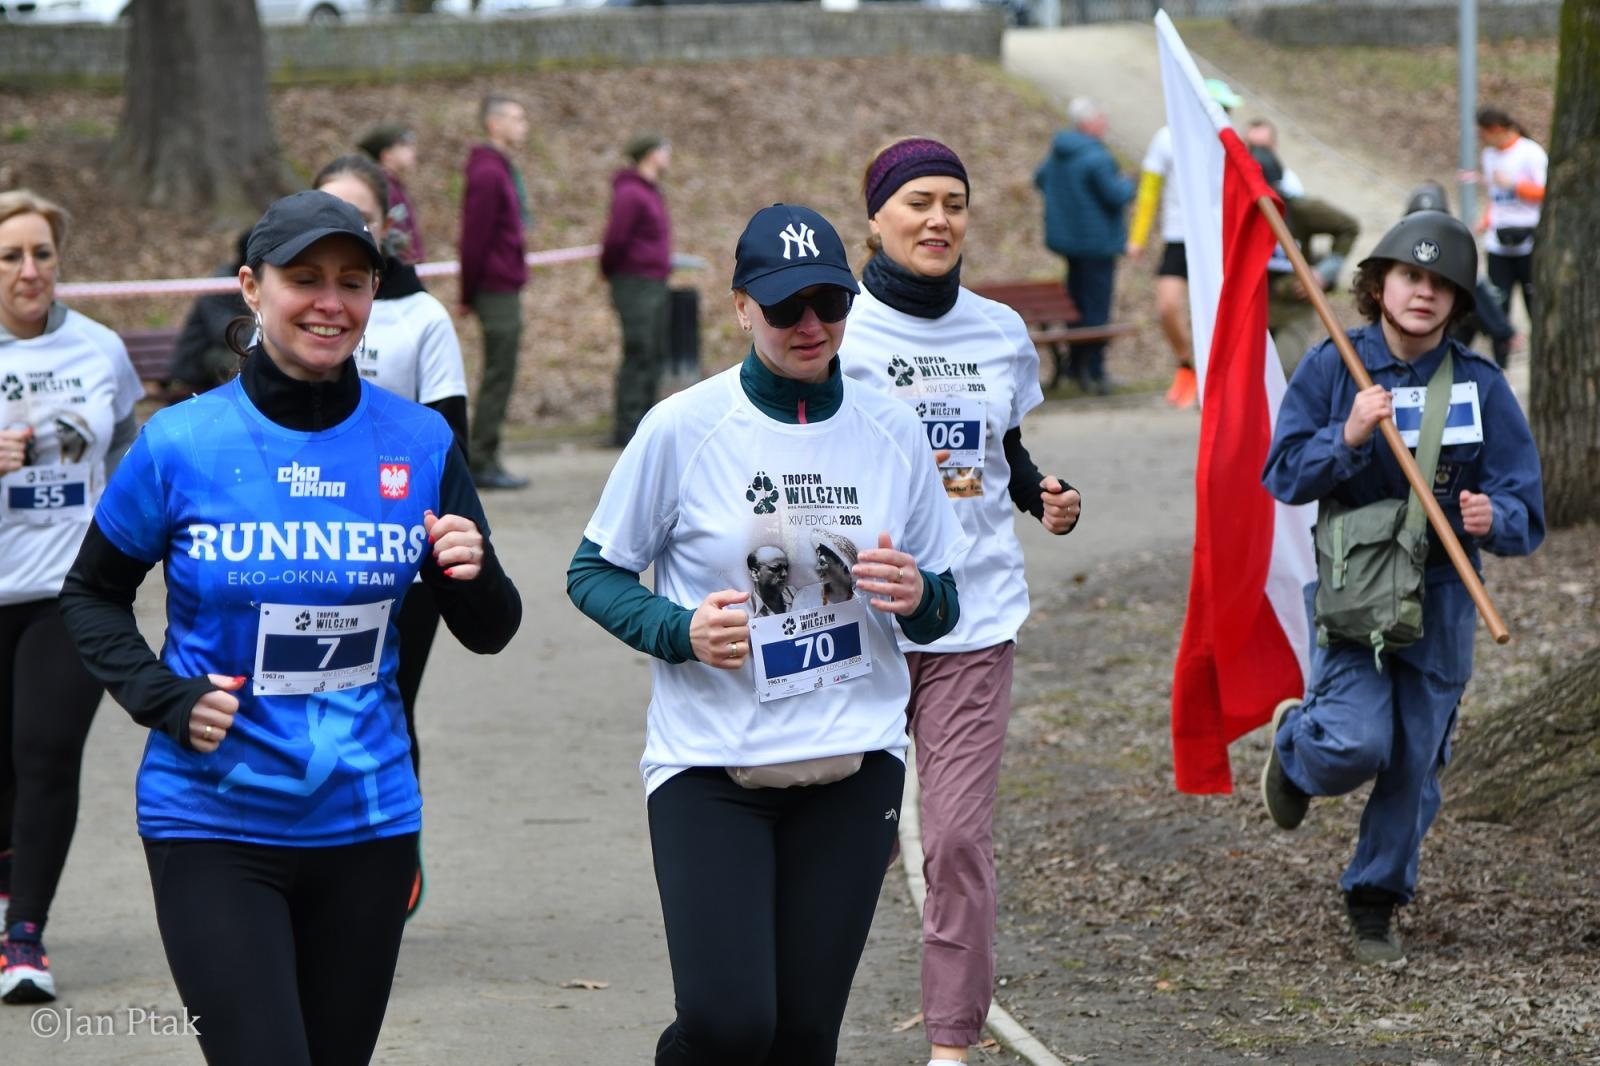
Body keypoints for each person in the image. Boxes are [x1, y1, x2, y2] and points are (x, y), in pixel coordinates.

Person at [58, 189, 521, 1064]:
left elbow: (490, 629)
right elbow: (89, 594)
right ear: (250, 287)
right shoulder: (179, 444)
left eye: (352, 281)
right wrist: (161, 695)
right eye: (303, 278)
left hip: (368, 822)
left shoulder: (419, 443)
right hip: (212, 821)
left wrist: (475, 568)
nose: (330, 302)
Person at [567, 203, 969, 1065]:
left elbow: (946, 601)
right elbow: (591, 571)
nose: (811, 325)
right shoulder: (683, 425)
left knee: (800, 1036)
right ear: (743, 307)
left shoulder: (892, 431)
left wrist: (916, 594)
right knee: (728, 1022)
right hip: (712, 762)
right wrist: (680, 629)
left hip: (852, 761)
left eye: (829, 301)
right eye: (786, 306)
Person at [838, 136, 1081, 1066]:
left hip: (973, 619)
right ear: (876, 216)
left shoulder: (997, 331)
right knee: (846, 844)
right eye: (917, 203)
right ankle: (791, 1013)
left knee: (957, 842)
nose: (938, 220)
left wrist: (1042, 494)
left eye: (953, 202)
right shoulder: (839, 328)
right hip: (856, 618)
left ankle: (951, 1044)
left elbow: (1002, 453)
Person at [1259, 210, 1543, 966]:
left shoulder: (1481, 387)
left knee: (1416, 759)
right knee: (1353, 743)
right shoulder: (1332, 367)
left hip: (1446, 594)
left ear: (1458, 301)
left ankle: (1374, 903)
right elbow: (1283, 473)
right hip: (1357, 586)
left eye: (1440, 283)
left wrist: (1496, 515)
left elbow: (1526, 504)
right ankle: (1296, 749)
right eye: (1410, 276)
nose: (1423, 293)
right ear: (1379, 283)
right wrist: (1346, 435)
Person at [314, 152, 471, 918]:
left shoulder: (420, 318)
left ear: (385, 227)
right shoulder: (295, 311)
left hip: (398, 570)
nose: (345, 232)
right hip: (302, 562)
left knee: (383, 708)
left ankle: (390, 856)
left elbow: (452, 450)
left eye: (360, 219)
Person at [0, 189, 142, 1004]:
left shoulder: (98, 347)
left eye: (42, 254)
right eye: (12, 256)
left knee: (45, 753)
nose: (30, 271)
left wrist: (113, 518)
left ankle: (26, 936)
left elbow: (125, 434)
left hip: (68, 589)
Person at [1127, 78, 1243, 408]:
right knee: (1167, 306)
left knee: (1218, 313)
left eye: (1228, 110)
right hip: (1178, 237)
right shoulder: (1166, 138)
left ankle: (1218, 378)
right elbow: (1149, 191)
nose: (1226, 115)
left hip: (1218, 239)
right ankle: (1187, 364)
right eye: (1221, 108)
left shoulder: (1229, 141)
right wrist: (1137, 238)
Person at [1035, 97, 1135, 395]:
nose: (1105, 124)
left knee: (1075, 306)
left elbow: (1040, 179)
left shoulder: (1059, 153)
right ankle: (1093, 370)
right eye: (1101, 119)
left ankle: (1071, 367)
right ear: (1088, 123)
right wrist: (1130, 183)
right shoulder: (1097, 157)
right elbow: (1115, 196)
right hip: (1098, 245)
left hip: (1069, 244)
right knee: (1095, 309)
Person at [458, 93, 531, 490]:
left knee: (503, 371)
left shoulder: (499, 168)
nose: (524, 125)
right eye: (517, 118)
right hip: (493, 286)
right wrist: (469, 292)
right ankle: (483, 458)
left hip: (504, 282)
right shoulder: (487, 171)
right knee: (499, 372)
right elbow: (475, 236)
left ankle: (487, 454)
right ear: (494, 123)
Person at [1251, 145, 1360, 377]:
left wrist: (1323, 273)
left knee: (1283, 371)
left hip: (1292, 308)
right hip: (1253, 307)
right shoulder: (1233, 214)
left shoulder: (1297, 210)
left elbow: (1348, 226)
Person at [601, 131, 673, 447]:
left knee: (654, 350)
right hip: (635, 283)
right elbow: (615, 239)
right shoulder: (631, 193)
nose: (668, 156)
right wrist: (613, 271)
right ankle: (627, 426)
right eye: (664, 149)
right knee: (639, 350)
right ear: (649, 154)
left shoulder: (651, 191)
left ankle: (646, 421)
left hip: (654, 282)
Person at [1404, 182, 1517, 368]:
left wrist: (1503, 332)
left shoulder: (1453, 252)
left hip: (1446, 345)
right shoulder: (1398, 255)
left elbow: (1477, 289)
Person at [1470, 107, 1545, 362]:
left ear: (1496, 130)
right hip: (1497, 244)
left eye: (1483, 134)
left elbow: (1546, 192)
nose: (1481, 139)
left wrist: (1515, 185)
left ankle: (1542, 363)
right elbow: (1495, 197)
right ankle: (1500, 366)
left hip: (1529, 242)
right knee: (1497, 307)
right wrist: (1486, 220)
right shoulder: (1489, 155)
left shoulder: (1530, 152)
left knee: (1534, 304)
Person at [167, 229, 251, 397]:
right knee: (245, 362)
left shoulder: (255, 282)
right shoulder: (220, 284)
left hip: (222, 352)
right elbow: (224, 332)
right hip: (198, 359)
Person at [357, 122, 427, 265]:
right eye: (404, 146)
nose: (412, 151)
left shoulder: (395, 186)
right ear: (387, 154)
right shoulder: (381, 188)